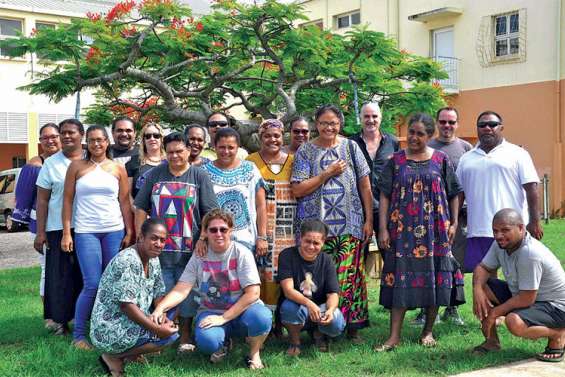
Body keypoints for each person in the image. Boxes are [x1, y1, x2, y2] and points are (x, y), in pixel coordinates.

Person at [375, 113, 464, 351]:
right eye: (411, 132)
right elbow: (384, 195)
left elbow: (454, 192)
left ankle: (428, 332)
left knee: (434, 277)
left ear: (430, 136)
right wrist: (382, 228)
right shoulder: (395, 161)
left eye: (420, 133)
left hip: (436, 231)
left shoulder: (441, 160)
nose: (414, 137)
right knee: (400, 279)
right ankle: (394, 336)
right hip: (401, 232)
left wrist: (454, 223)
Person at [150, 209, 272, 369]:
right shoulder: (199, 255)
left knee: (262, 317)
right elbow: (182, 289)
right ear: (205, 232)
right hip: (211, 311)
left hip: (242, 310)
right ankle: (223, 342)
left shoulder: (242, 252)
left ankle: (254, 353)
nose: (218, 234)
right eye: (213, 230)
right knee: (207, 342)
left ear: (231, 230)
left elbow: (253, 293)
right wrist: (160, 308)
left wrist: (224, 318)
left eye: (223, 229)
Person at [291, 104, 373, 342]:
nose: (329, 127)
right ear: (316, 124)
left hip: (350, 226)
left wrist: (368, 219)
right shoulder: (306, 151)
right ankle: (319, 330)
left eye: (334, 123)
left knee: (350, 278)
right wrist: (326, 173)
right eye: (324, 123)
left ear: (341, 124)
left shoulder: (351, 147)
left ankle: (351, 327)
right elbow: (298, 189)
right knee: (316, 280)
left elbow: (365, 185)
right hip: (316, 232)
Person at [134, 131, 218, 354]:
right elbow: (141, 207)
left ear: (189, 151)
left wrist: (203, 238)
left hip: (190, 249)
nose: (175, 156)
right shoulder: (154, 174)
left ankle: (186, 334)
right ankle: (161, 333)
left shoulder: (200, 176)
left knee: (189, 294)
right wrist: (140, 238)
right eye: (170, 152)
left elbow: (210, 212)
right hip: (158, 248)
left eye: (179, 151)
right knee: (160, 291)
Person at [61, 125, 134, 349]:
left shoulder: (117, 168)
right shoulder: (76, 167)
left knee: (111, 284)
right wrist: (66, 232)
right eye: (92, 140)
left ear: (107, 142)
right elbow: (67, 201)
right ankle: (80, 335)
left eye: (101, 140)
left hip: (114, 230)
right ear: (86, 143)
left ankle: (108, 328)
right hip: (86, 231)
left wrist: (130, 230)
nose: (96, 144)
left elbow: (124, 201)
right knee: (92, 284)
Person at [472, 208, 565, 362]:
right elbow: (483, 268)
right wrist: (477, 290)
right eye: (495, 231)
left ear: (521, 228)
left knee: (513, 322)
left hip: (557, 306)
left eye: (505, 230)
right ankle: (492, 342)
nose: (498, 236)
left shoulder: (530, 253)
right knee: (483, 286)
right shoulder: (500, 244)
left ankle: (558, 335)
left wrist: (494, 313)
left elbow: (526, 299)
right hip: (527, 296)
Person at [456, 110, 542, 275]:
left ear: (501, 128)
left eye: (492, 124)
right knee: (483, 279)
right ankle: (486, 303)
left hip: (513, 229)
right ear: (477, 129)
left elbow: (531, 189)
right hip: (478, 230)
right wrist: (453, 221)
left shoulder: (518, 154)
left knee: (519, 275)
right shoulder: (466, 159)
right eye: (482, 125)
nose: (487, 128)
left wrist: (534, 221)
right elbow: (459, 194)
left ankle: (519, 302)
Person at [91, 218, 179, 377]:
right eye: (154, 238)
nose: (158, 244)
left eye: (162, 240)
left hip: (130, 318)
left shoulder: (153, 259)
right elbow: (126, 306)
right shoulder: (128, 260)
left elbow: (159, 293)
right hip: (111, 325)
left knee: (173, 311)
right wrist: (157, 329)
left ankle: (132, 353)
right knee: (167, 336)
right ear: (141, 237)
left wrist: (162, 316)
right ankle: (113, 356)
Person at [418, 107, 472, 326]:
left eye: (451, 122)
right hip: (428, 217)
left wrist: (460, 215)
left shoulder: (466, 149)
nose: (447, 126)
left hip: (457, 216)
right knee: (427, 262)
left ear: (457, 124)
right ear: (437, 123)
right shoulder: (427, 147)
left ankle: (452, 307)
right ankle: (426, 310)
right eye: (443, 122)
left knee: (454, 261)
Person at [34, 119, 85, 336]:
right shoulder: (51, 164)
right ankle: (60, 322)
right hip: (57, 228)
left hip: (87, 227)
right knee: (60, 277)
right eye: (62, 133)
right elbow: (42, 200)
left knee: (85, 276)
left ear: (81, 135)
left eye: (71, 132)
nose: (66, 136)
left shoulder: (91, 160)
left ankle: (85, 319)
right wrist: (40, 232)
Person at [12, 122, 61, 331]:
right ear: (40, 141)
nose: (50, 140)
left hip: (69, 226)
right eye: (45, 137)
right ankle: (50, 317)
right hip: (45, 228)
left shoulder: (70, 161)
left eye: (54, 136)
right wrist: (36, 231)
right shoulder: (35, 165)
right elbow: (23, 198)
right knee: (47, 272)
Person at [247, 119, 297, 308]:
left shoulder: (293, 161)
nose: (272, 139)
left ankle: (283, 321)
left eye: (276, 135)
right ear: (260, 137)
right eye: (267, 136)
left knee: (285, 271)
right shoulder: (251, 161)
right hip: (262, 226)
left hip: (288, 228)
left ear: (282, 137)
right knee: (262, 271)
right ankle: (265, 320)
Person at [278, 220, 345, 356]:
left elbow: (333, 293)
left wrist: (330, 310)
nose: (311, 246)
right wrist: (309, 304)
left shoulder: (327, 260)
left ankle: (318, 334)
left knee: (336, 322)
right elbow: (288, 290)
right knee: (288, 307)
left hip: (320, 308)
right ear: (300, 238)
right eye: (307, 241)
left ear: (323, 243)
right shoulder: (287, 255)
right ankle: (295, 341)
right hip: (298, 307)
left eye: (316, 243)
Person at [349, 102, 399, 279]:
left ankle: (392, 301)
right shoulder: (350, 143)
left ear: (380, 118)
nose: (371, 120)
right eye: (367, 116)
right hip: (357, 208)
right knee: (356, 258)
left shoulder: (393, 142)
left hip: (386, 208)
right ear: (361, 119)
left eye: (374, 116)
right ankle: (354, 301)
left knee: (390, 255)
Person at [202, 127, 268, 255]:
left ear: (238, 147)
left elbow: (261, 206)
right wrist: (203, 238)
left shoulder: (250, 169)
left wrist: (262, 237)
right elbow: (202, 209)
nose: (226, 151)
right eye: (221, 147)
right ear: (214, 146)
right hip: (215, 240)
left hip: (245, 239)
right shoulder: (204, 172)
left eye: (231, 147)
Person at [125, 122, 166, 200]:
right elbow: (127, 194)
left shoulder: (170, 161)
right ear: (143, 140)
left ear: (161, 139)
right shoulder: (134, 161)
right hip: (138, 209)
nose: (152, 138)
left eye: (156, 136)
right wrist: (136, 210)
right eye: (148, 136)